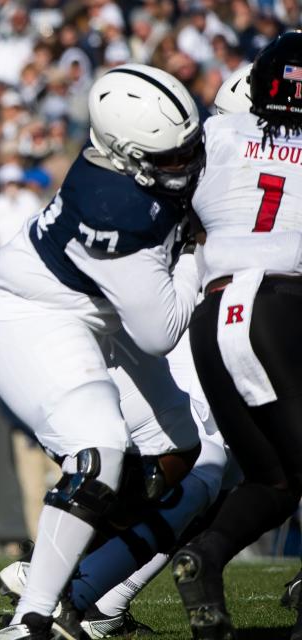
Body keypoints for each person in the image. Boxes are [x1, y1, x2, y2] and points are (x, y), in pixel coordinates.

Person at [0, 64, 206, 639]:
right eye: (170, 158)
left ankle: (78, 580)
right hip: (30, 313)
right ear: (125, 154)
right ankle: (32, 620)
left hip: (99, 311)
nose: (187, 165)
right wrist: (202, 253)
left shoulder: (147, 163)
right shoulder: (112, 206)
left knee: (184, 452)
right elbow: (161, 330)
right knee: (97, 450)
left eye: (189, 150)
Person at [172, 32, 302, 639]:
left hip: (214, 311)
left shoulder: (216, 134)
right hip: (280, 309)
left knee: (274, 480)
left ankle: (206, 557)